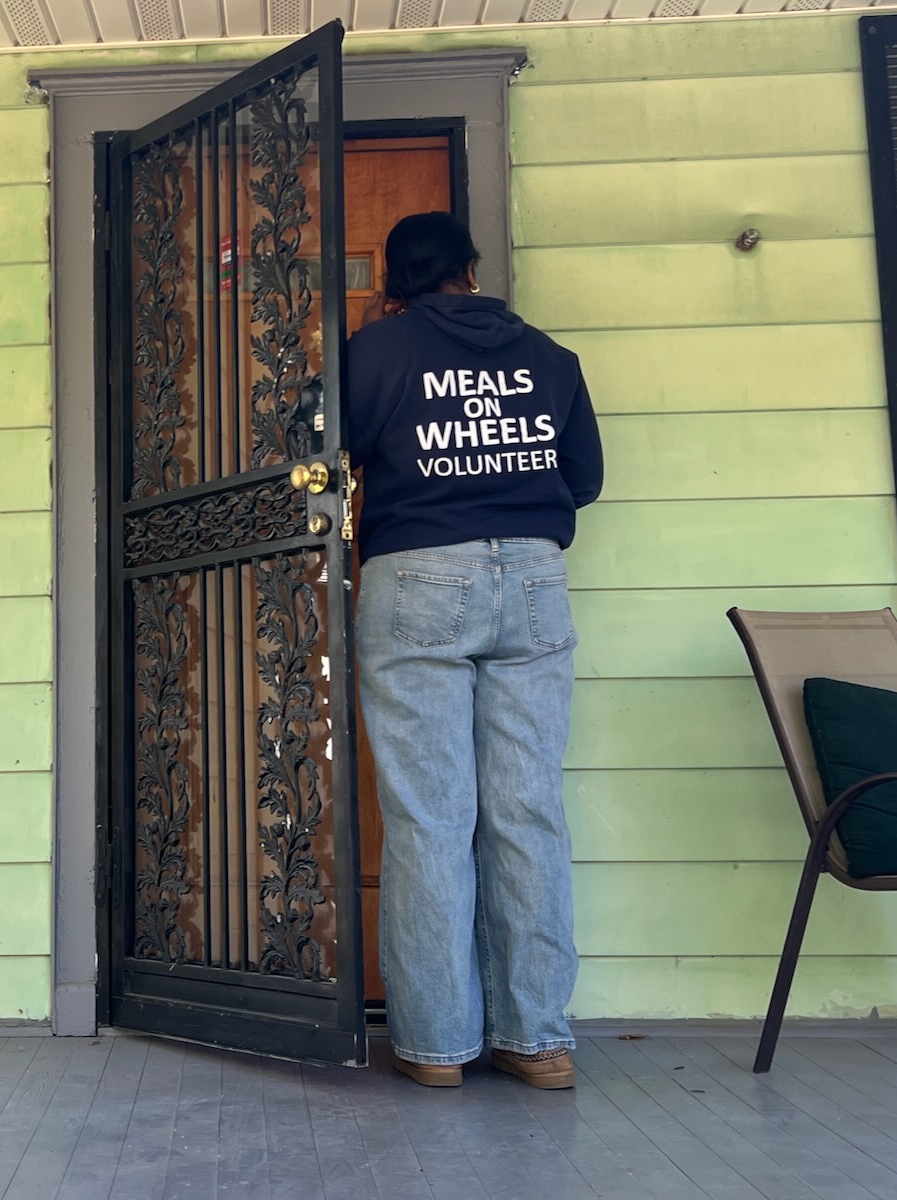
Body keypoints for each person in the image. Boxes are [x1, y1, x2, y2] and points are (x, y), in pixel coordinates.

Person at [345, 212, 604, 1090]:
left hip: (418, 575)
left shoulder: (374, 352)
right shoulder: (550, 358)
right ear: (470, 269)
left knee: (430, 818)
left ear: (394, 278)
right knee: (527, 812)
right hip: (533, 577)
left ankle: (436, 1048)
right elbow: (586, 481)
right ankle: (538, 1042)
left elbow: (326, 456)